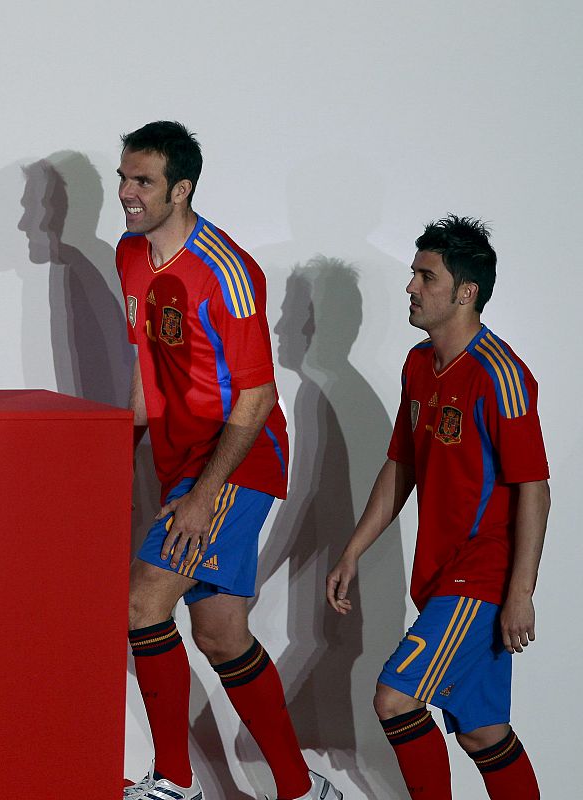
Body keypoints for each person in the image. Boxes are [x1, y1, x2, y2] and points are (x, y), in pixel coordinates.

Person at [116, 120, 341, 800]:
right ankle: (303, 791)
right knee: (220, 634)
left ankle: (174, 782)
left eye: (143, 181)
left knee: (142, 602)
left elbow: (258, 395)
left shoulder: (228, 271)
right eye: (123, 177)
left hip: (238, 460)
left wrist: (202, 494)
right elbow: (145, 372)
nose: (127, 192)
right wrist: (115, 462)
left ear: (181, 189)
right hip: (182, 463)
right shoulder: (130, 255)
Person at [326, 215, 548, 799]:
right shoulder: (418, 365)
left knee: (395, 698)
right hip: (439, 575)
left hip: (481, 577)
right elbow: (401, 465)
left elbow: (535, 487)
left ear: (466, 292)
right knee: (482, 732)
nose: (411, 287)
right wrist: (352, 551)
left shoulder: (502, 375)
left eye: (426, 277)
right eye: (414, 274)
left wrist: (520, 592)